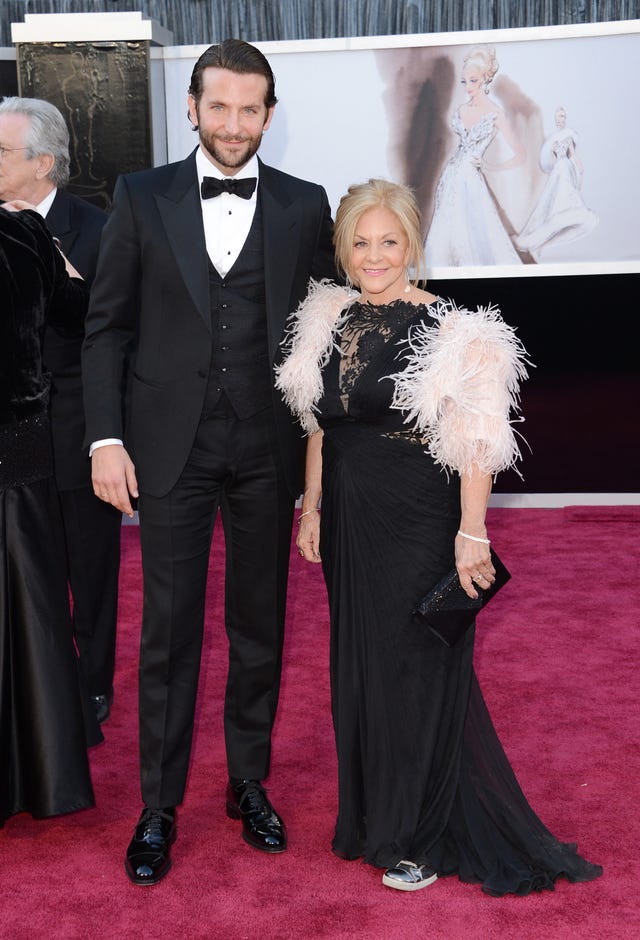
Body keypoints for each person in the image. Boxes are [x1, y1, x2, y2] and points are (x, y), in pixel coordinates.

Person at [276, 178, 602, 895]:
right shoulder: (325, 320)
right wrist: (312, 508)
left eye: (389, 242)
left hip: (418, 519)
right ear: (343, 250)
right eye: (360, 243)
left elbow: (478, 444)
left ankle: (419, 838)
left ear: (412, 245)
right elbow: (319, 427)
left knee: (418, 671)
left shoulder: (457, 333)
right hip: (351, 521)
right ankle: (376, 817)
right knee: (363, 667)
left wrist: (471, 533)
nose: (374, 256)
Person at [81, 39, 335, 885]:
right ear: (190, 108)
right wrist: (105, 438)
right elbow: (106, 329)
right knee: (169, 631)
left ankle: (248, 782)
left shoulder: (304, 204)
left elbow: (331, 320)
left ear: (269, 114)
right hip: (168, 450)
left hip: (267, 447)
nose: (233, 123)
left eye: (248, 108)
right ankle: (159, 804)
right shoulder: (140, 195)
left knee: (259, 625)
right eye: (218, 106)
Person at [0, 96, 120, 725]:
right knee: (23, 570)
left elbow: (115, 334)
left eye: (0, 151)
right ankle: (34, 690)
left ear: (43, 162)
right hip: (11, 441)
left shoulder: (99, 230)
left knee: (89, 569)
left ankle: (92, 686)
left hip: (78, 432)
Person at [0, 205, 96, 825]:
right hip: (20, 446)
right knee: (31, 608)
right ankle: (44, 771)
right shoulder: (26, 232)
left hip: (20, 452)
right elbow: (78, 312)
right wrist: (63, 264)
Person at [424, 45, 525, 266]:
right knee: (444, 230)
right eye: (465, 81)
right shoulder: (462, 109)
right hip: (450, 177)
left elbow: (521, 155)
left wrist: (490, 166)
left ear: (485, 79)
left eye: (473, 81)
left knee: (475, 231)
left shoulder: (496, 114)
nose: (468, 87)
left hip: (471, 180)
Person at [515, 106, 597, 258]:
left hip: (565, 167)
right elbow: (552, 162)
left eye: (562, 116)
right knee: (553, 197)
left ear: (565, 118)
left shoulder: (568, 136)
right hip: (557, 170)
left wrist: (580, 169)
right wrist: (554, 156)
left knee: (567, 192)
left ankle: (565, 218)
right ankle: (545, 236)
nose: (559, 119)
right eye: (558, 117)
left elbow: (573, 156)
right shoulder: (552, 140)